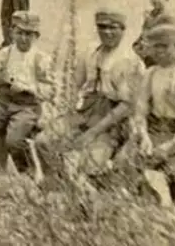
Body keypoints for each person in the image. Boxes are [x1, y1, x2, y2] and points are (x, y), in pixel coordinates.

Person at [35, 9, 142, 174]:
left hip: (112, 121)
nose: (107, 32)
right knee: (43, 141)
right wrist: (65, 110)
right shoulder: (91, 53)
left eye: (113, 28)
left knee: (90, 166)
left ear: (122, 29)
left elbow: (126, 106)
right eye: (102, 27)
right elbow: (75, 84)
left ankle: (98, 183)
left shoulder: (129, 60)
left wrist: (92, 133)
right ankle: (57, 184)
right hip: (86, 112)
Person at [0, 11, 53, 175]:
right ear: (12, 32)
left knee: (14, 141)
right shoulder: (4, 54)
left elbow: (51, 90)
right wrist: (1, 78)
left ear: (36, 36)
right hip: (3, 102)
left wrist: (28, 88)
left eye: (28, 34)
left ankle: (26, 172)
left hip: (27, 106)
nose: (23, 38)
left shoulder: (41, 58)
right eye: (19, 33)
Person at [130, 24, 175, 210]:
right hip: (154, 130)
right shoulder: (150, 73)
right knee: (128, 166)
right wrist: (143, 135)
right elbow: (141, 110)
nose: (159, 51)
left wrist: (169, 146)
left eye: (164, 46)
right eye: (155, 46)